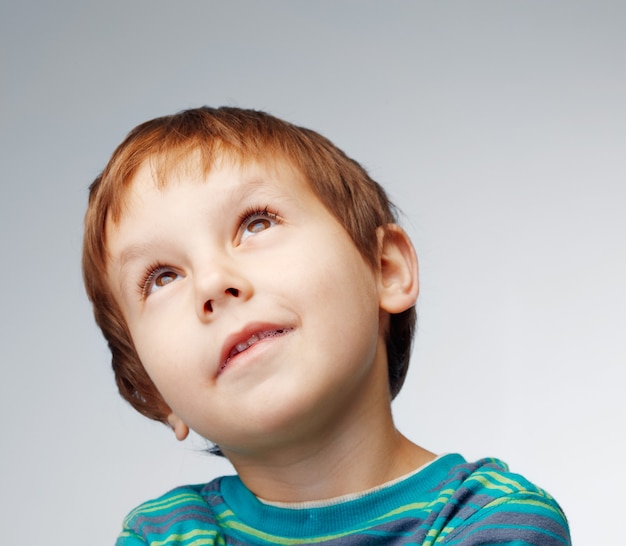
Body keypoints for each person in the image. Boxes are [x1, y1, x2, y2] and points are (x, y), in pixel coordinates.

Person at [83, 106, 571, 545]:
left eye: (256, 223)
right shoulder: (163, 535)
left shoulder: (493, 522)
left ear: (384, 269)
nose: (211, 283)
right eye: (161, 277)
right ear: (151, 389)